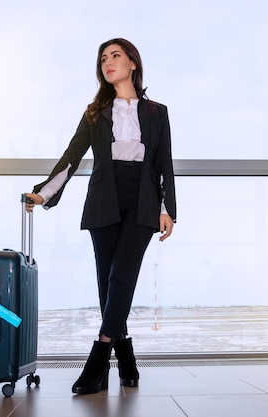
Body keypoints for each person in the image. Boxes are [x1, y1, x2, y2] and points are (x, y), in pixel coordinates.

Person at [23, 38, 176, 395]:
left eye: (116, 56)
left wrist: (165, 208)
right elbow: (72, 156)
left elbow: (163, 163)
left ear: (133, 63)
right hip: (104, 198)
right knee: (107, 282)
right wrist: (43, 192)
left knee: (122, 274)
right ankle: (127, 361)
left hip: (143, 198)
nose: (108, 62)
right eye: (103, 58)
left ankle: (97, 361)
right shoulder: (95, 113)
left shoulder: (158, 112)